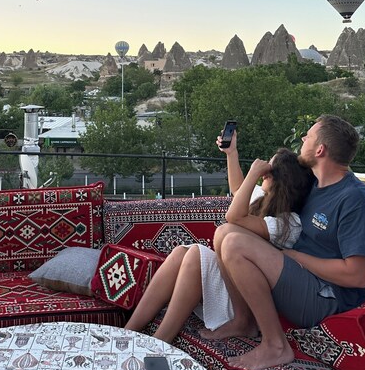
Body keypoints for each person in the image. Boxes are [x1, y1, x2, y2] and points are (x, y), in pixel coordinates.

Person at [212, 114, 365, 370]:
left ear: (320, 149)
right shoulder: (314, 185)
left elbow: (357, 276)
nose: (303, 139)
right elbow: (244, 194)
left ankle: (276, 345)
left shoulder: (355, 201)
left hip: (327, 297)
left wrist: (298, 258)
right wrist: (232, 154)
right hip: (301, 279)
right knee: (225, 232)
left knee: (236, 244)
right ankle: (244, 320)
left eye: (309, 136)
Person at [124, 131, 314, 344]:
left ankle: (159, 342)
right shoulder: (265, 199)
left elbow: (233, 217)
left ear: (278, 179)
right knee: (180, 253)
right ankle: (128, 332)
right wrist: (231, 153)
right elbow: (238, 189)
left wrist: (253, 173)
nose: (262, 176)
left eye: (267, 173)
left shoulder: (288, 223)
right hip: (233, 287)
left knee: (196, 254)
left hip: (251, 298)